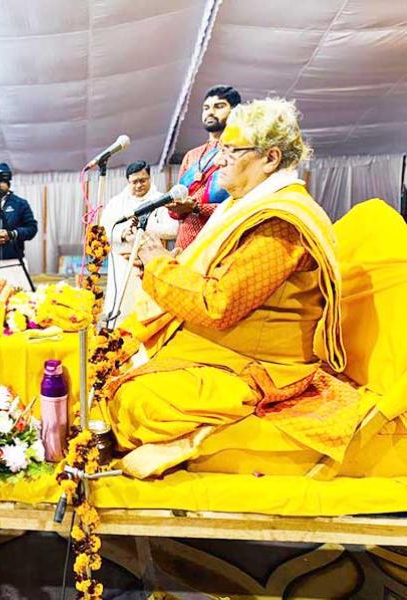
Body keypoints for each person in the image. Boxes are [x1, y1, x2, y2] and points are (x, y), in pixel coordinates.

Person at [107, 98, 347, 479]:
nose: (218, 161)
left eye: (231, 151)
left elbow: (218, 304)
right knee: (112, 364)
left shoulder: (280, 223)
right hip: (219, 349)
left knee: (138, 402)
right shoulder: (241, 206)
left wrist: (159, 265)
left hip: (259, 365)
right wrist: (157, 267)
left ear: (269, 158)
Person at [99, 161, 177, 321]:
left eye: (143, 180)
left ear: (150, 178)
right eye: (135, 181)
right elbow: (104, 229)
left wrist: (145, 229)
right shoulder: (116, 202)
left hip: (150, 263)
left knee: (147, 308)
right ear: (128, 182)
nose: (139, 185)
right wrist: (124, 234)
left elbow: (173, 229)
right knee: (121, 306)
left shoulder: (161, 200)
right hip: (121, 265)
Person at [168, 85, 242, 250]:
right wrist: (174, 208)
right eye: (206, 108)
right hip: (184, 246)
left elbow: (241, 207)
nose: (210, 112)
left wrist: (196, 207)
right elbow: (176, 211)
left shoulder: (241, 153)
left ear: (236, 111)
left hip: (219, 245)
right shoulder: (191, 156)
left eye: (219, 106)